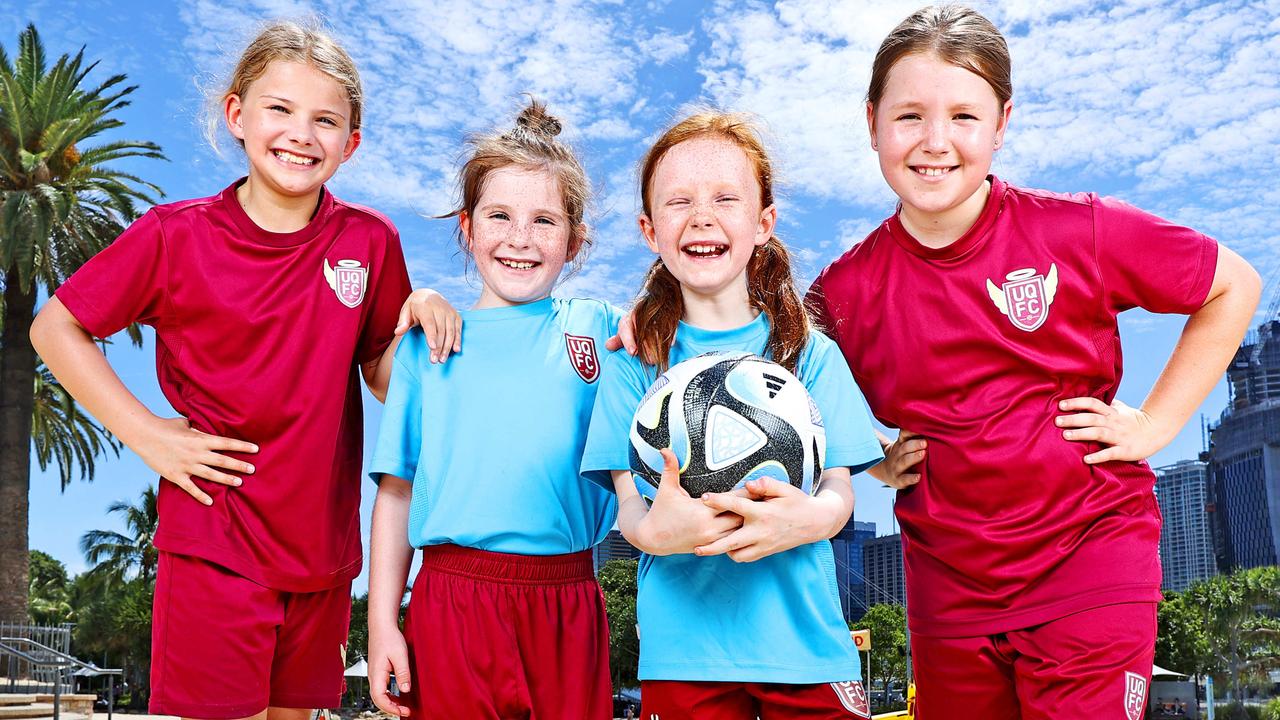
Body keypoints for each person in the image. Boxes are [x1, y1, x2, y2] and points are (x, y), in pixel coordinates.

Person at [804, 6, 1261, 719]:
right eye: (909, 117)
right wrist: (866, 455)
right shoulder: (843, 291)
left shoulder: (1075, 230)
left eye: (963, 115)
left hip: (1090, 556)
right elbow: (770, 370)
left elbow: (1234, 284)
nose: (934, 141)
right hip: (948, 590)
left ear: (1001, 123)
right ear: (871, 123)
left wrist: (1155, 423)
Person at [30, 21, 458, 720]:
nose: (301, 133)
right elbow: (55, 326)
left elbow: (383, 373)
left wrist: (423, 309)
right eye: (280, 109)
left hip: (322, 550)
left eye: (326, 120)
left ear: (350, 144)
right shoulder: (175, 234)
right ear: (236, 114)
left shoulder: (369, 240)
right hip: (214, 540)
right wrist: (148, 436)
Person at [581, 111, 883, 720]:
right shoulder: (632, 360)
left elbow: (838, 497)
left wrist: (800, 521)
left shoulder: (809, 351)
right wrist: (656, 535)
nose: (702, 216)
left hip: (807, 654)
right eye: (678, 201)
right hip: (682, 657)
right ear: (649, 230)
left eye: (725, 197)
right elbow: (631, 512)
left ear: (764, 222)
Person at [366, 99, 619, 720]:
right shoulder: (429, 345)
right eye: (499, 215)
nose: (520, 238)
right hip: (453, 597)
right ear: (467, 227)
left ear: (575, 240)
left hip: (569, 599)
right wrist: (381, 626)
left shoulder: (601, 327)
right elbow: (396, 496)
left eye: (544, 220)